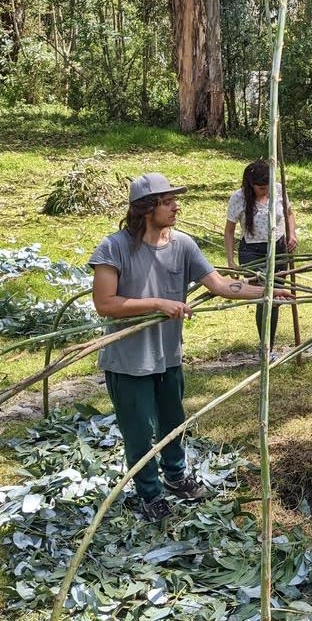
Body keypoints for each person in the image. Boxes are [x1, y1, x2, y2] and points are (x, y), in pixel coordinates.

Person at [90, 173, 294, 522]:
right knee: (139, 432)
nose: (176, 206)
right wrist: (157, 303)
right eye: (167, 201)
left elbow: (219, 285)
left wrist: (267, 292)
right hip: (128, 361)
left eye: (174, 199)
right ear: (146, 208)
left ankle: (176, 476)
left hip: (168, 356)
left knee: (173, 421)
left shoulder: (183, 244)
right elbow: (105, 304)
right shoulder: (115, 247)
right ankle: (150, 494)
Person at [223, 159, 297, 356]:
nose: (265, 191)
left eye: (267, 186)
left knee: (277, 297)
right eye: (261, 188)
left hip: (278, 248)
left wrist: (292, 234)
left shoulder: (279, 189)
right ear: (251, 184)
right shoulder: (238, 198)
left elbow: (289, 214)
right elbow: (229, 231)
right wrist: (231, 261)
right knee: (264, 297)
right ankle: (265, 348)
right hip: (252, 252)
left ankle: (269, 346)